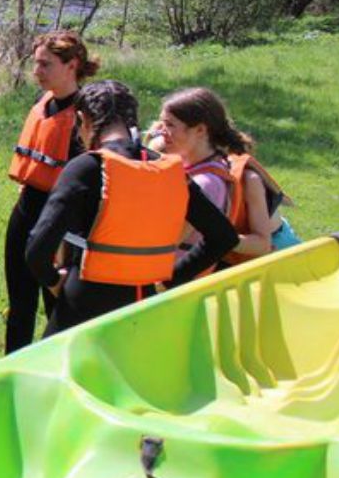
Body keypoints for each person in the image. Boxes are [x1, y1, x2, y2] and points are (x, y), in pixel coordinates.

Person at [26, 80, 238, 336]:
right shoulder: (168, 170)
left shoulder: (85, 168)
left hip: (84, 304)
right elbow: (224, 236)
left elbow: (37, 249)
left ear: (83, 120)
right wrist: (168, 280)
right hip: (145, 309)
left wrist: (53, 281)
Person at [3, 30, 99, 352]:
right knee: (19, 303)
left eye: (46, 64)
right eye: (35, 64)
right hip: (27, 208)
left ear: (72, 65)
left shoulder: (85, 116)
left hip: (60, 220)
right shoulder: (42, 103)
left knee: (56, 304)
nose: (37, 71)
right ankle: (11, 368)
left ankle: (58, 367)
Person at [150, 87, 288, 267]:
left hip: (280, 257)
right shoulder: (182, 158)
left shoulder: (211, 183)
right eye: (162, 123)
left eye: (170, 125)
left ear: (200, 130)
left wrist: (219, 237)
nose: (161, 131)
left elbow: (167, 242)